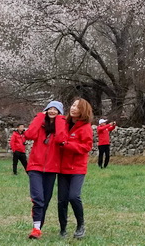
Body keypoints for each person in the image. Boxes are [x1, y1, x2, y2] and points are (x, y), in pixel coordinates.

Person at [23, 100, 65, 239]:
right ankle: (35, 229)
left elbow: (61, 139)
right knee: (38, 198)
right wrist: (40, 116)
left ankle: (38, 227)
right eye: (50, 108)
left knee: (45, 200)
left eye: (56, 109)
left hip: (52, 169)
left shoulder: (61, 126)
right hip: (35, 167)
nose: (52, 111)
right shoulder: (40, 125)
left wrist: (60, 120)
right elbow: (29, 135)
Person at [56, 98, 94, 239]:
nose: (73, 108)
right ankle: (63, 229)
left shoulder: (85, 127)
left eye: (77, 107)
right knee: (62, 200)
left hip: (77, 168)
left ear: (83, 111)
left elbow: (86, 147)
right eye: (73, 105)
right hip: (62, 168)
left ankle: (80, 225)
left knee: (73, 196)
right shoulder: (64, 124)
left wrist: (67, 144)